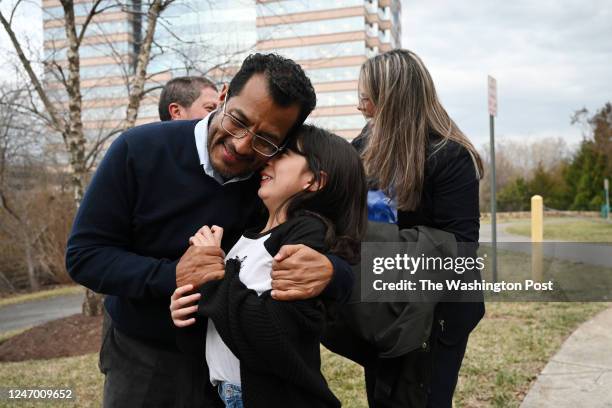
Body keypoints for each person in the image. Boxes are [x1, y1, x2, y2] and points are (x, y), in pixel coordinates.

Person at [66, 53, 354, 407]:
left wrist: (331, 272)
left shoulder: (274, 184)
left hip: (234, 364)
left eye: (266, 139)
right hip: (144, 354)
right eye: (237, 121)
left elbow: (343, 248)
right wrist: (174, 276)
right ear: (221, 96)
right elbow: (84, 255)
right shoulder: (138, 149)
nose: (242, 145)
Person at [327, 49, 484, 407]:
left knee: (421, 398)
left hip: (436, 311)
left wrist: (374, 243)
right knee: (383, 396)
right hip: (385, 303)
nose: (360, 106)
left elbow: (461, 248)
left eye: (366, 97)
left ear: (392, 97)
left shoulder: (449, 155)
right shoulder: (365, 146)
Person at [170, 125, 367, 407]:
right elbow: (221, 329)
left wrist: (212, 280)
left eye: (283, 154)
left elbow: (270, 335)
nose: (267, 160)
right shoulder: (247, 236)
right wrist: (188, 313)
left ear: (314, 180)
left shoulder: (305, 235)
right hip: (226, 393)